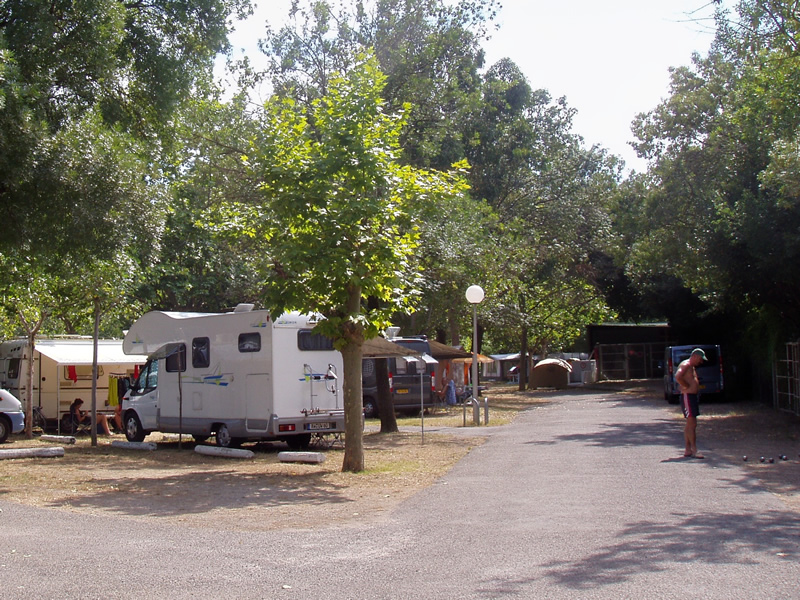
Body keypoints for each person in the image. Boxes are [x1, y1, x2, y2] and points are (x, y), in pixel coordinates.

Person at [674, 348, 707, 458]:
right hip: (687, 396)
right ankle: (694, 449)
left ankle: (688, 449)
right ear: (696, 356)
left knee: (691, 424)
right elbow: (678, 376)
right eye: (700, 359)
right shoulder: (686, 364)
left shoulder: (691, 366)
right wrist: (686, 385)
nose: (701, 362)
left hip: (691, 396)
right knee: (692, 423)